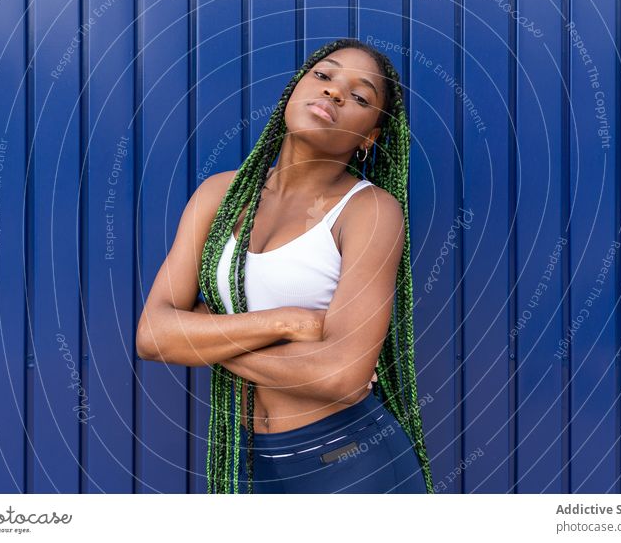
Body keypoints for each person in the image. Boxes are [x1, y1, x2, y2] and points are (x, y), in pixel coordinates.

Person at [136, 38, 433, 494]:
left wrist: (200, 336)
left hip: (349, 460)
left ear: (369, 137)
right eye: (324, 75)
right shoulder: (219, 194)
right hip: (248, 461)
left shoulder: (369, 211)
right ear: (294, 90)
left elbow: (341, 377)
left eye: (359, 96)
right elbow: (152, 337)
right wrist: (289, 322)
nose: (335, 92)